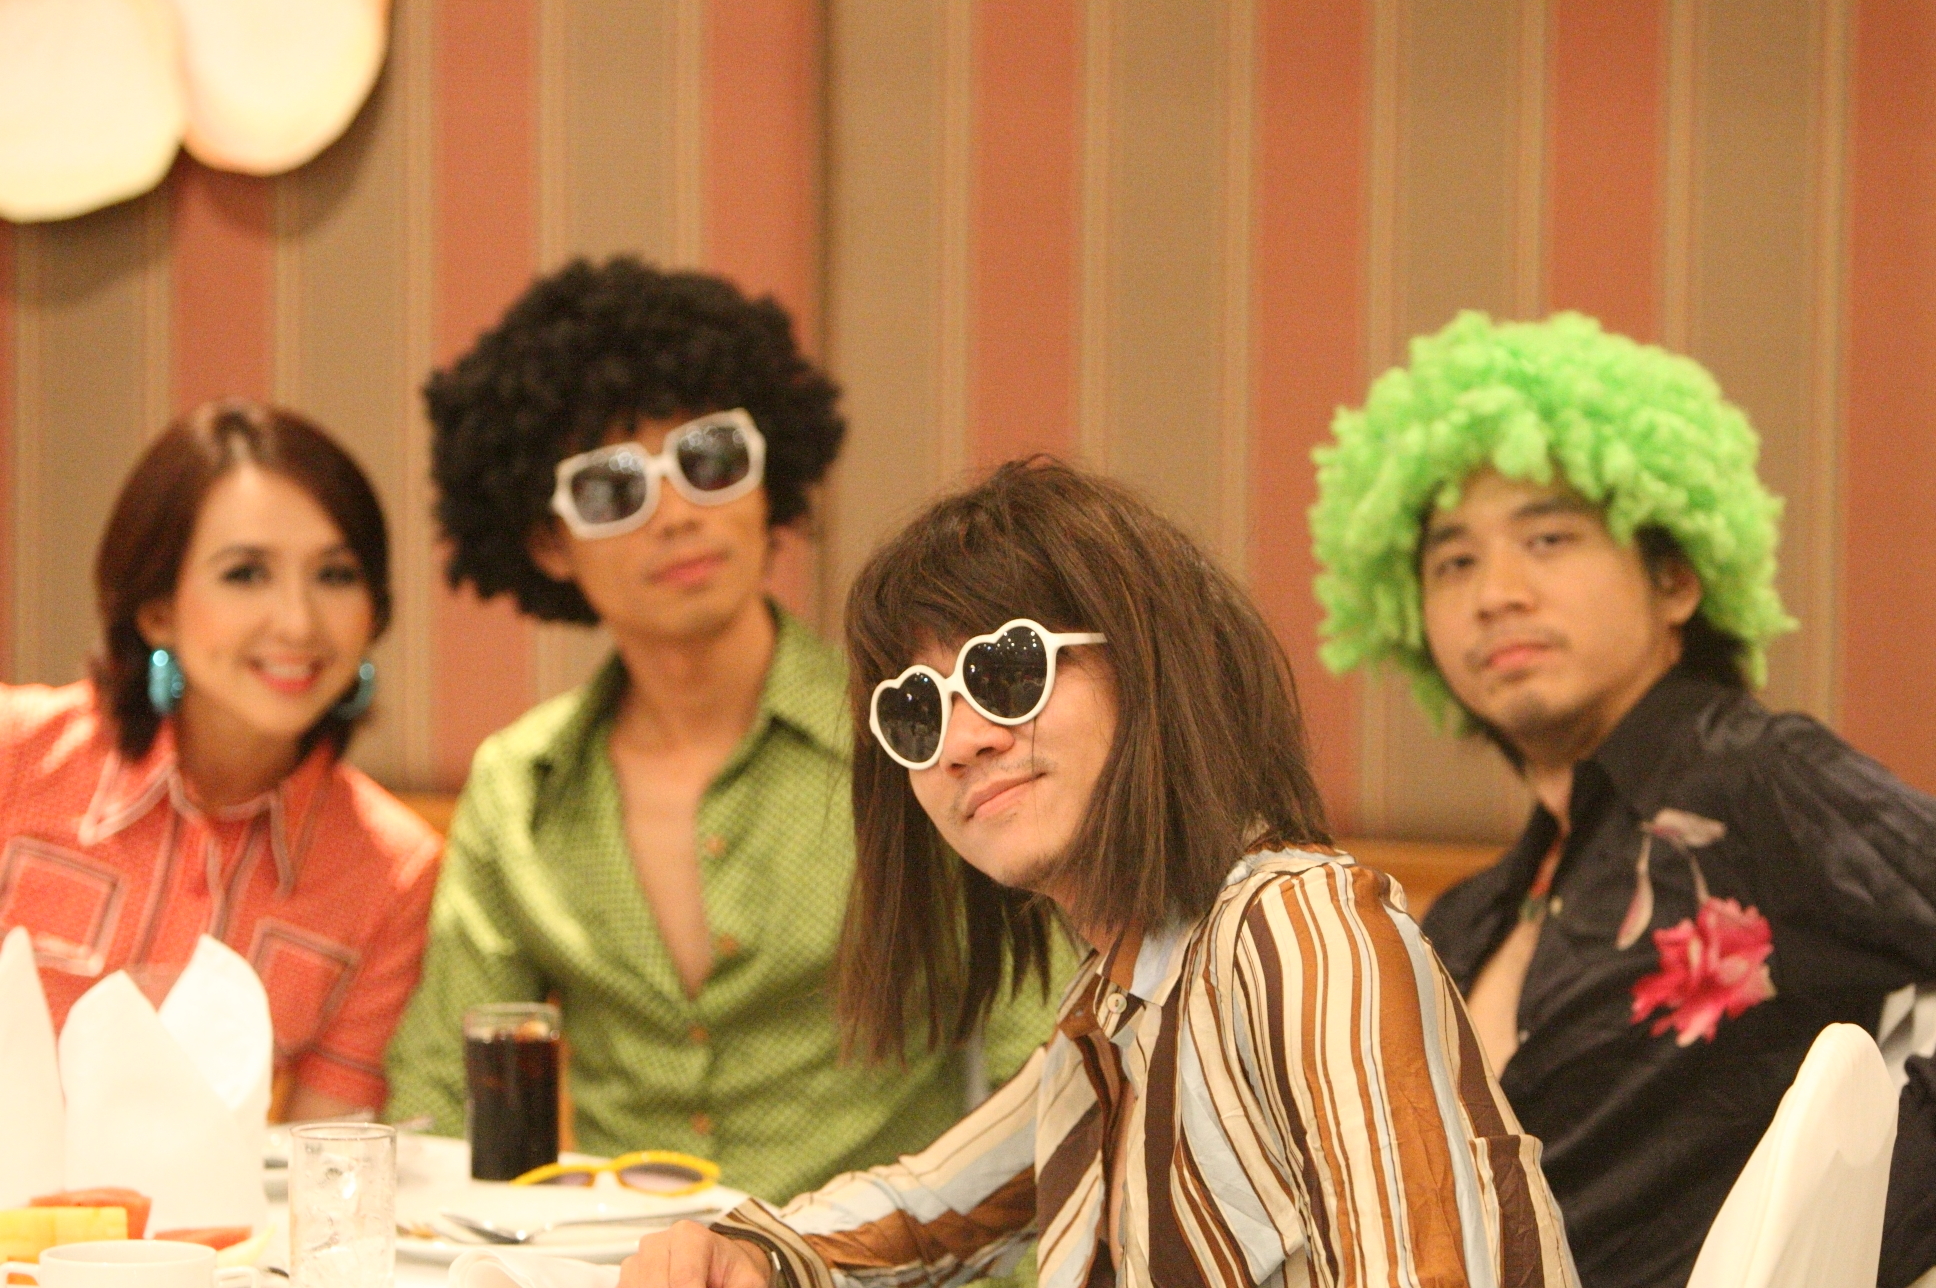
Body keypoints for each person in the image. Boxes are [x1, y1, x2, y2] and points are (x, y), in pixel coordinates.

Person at [618, 461, 1578, 1288]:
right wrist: (737, 1250)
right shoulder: (1116, 1001)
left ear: (1151, 666)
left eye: (1008, 673)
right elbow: (927, 1210)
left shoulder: (1296, 931)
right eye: (916, 712)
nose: (962, 741)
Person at [385, 258, 1066, 1203]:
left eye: (709, 461)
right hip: (615, 1262)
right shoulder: (521, 789)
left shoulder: (912, 737)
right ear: (548, 542)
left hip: (880, 1260)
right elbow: (441, 1096)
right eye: (612, 489)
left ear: (765, 476)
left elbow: (1047, 1069)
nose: (676, 514)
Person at [1309, 311, 1936, 1288]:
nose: (1495, 593)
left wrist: (1866, 1229)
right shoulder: (1465, 916)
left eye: (1548, 537)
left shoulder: (1757, 780)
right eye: (1453, 561)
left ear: (1675, 578)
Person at [0, 399, 440, 1119]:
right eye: (245, 574)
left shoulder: (389, 876)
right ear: (157, 610)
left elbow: (323, 1157)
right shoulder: (14, 758)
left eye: (335, 575)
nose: (298, 622)